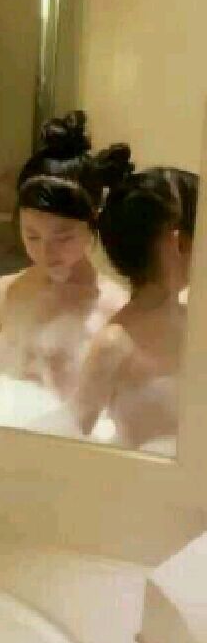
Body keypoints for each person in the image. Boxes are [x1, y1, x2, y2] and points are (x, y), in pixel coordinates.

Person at [0, 112, 131, 424]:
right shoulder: (0, 295)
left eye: (63, 237)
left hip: (70, 444)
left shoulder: (117, 307)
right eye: (32, 235)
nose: (46, 252)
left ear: (94, 222)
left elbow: (125, 413)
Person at [73, 167, 198, 450]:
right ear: (180, 243)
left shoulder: (193, 320)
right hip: (141, 476)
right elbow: (71, 437)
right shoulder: (115, 344)